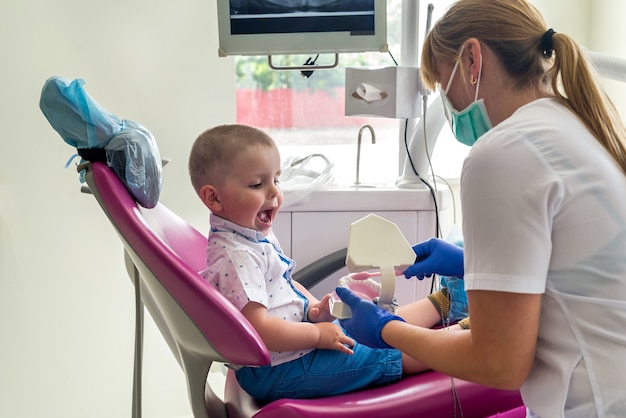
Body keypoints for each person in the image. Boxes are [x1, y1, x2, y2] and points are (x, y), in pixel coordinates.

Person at [336, 0, 626, 417]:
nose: (448, 104)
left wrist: (388, 330)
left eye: (441, 83)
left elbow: (499, 363)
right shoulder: (578, 124)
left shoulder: (502, 153)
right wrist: (471, 263)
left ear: (472, 59)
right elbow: (582, 269)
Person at [187, 123, 468, 402]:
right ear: (214, 198)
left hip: (294, 345)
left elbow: (284, 283)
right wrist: (317, 334)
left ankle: (449, 301)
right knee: (387, 351)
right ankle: (472, 334)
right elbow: (258, 329)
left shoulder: (248, 236)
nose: (273, 192)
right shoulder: (237, 257)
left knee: (374, 325)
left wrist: (313, 309)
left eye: (276, 179)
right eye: (257, 184)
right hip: (282, 368)